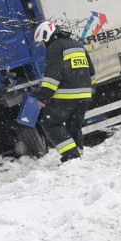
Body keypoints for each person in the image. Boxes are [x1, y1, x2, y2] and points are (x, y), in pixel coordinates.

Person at [31, 21, 96, 163]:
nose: (43, 45)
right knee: (74, 126)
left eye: (42, 42)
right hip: (85, 95)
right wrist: (86, 90)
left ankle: (71, 156)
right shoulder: (77, 45)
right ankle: (78, 157)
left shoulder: (55, 47)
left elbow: (53, 76)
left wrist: (43, 97)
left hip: (67, 95)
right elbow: (91, 72)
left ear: (47, 36)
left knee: (50, 123)